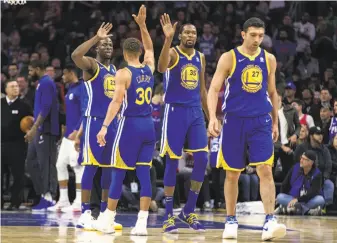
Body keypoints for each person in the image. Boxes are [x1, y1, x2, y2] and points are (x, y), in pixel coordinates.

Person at [207, 17, 286, 241]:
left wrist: (275, 121)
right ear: (243, 34)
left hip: (260, 121)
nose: (257, 40)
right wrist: (212, 117)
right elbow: (213, 89)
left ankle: (270, 220)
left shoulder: (269, 59)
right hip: (234, 121)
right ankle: (231, 219)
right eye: (253, 35)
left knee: (266, 169)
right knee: (232, 174)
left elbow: (272, 93)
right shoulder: (229, 57)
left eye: (260, 36)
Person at [95, 5, 155, 235]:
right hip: (149, 126)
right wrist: (142, 26)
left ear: (123, 51)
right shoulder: (148, 68)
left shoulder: (123, 73)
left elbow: (116, 103)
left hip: (130, 126)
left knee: (118, 172)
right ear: (139, 51)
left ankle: (108, 220)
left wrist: (104, 126)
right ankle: (141, 223)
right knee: (144, 173)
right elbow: (150, 47)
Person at [157, 13, 209, 233]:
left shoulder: (200, 57)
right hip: (175, 110)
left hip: (195, 110)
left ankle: (188, 210)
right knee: (172, 160)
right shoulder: (173, 52)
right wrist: (167, 39)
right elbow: (160, 68)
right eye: (186, 32)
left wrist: (211, 116)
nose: (190, 35)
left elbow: (203, 89)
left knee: (203, 158)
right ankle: (168, 214)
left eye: (194, 32)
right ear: (180, 35)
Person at [71, 22, 121, 230]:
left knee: (109, 169)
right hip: (94, 121)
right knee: (91, 167)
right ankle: (85, 213)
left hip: (112, 123)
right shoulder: (91, 65)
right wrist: (96, 37)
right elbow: (75, 56)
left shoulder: (115, 69)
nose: (108, 46)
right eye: (104, 44)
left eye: (110, 43)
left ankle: (103, 214)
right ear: (97, 48)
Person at [47, 65, 84, 212]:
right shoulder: (70, 89)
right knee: (60, 164)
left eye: (64, 74)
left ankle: (79, 202)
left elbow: (85, 111)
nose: (62, 77)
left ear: (71, 73)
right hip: (67, 135)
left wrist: (78, 132)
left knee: (78, 167)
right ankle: (63, 200)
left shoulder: (82, 88)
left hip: (76, 135)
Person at [26, 60, 59, 211]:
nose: (29, 74)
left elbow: (45, 108)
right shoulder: (41, 83)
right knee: (31, 162)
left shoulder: (46, 83)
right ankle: (42, 193)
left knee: (46, 164)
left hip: (46, 130)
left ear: (38, 69)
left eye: (30, 70)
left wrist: (34, 128)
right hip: (39, 129)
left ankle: (49, 196)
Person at [1, 80, 32, 210]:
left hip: (17, 145)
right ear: (5, 90)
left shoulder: (24, 106)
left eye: (17, 86)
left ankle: (15, 202)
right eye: (12, 86)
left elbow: (31, 122)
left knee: (18, 175)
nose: (15, 88)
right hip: (1, 144)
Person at [276, 150, 325, 215]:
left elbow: (313, 192)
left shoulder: (317, 174)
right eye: (301, 158)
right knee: (280, 197)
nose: (301, 160)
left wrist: (298, 200)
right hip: (293, 198)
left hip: (308, 200)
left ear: (311, 163)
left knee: (320, 199)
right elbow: (285, 184)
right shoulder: (295, 168)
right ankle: (308, 211)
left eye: (304, 159)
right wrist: (279, 197)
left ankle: (294, 209)